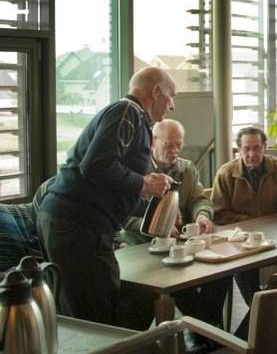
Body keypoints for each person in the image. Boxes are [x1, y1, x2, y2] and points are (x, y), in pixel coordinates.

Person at [36, 67, 176, 325]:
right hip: (78, 224)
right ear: (156, 92)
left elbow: (113, 184)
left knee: (92, 312)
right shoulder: (127, 111)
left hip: (76, 223)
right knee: (96, 319)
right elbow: (97, 165)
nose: (172, 105)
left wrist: (157, 208)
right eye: (171, 96)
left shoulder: (134, 118)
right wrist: (144, 183)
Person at [120, 119, 228, 330]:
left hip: (179, 245)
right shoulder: (134, 171)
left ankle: (207, 330)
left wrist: (202, 216)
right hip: (141, 246)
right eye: (169, 145)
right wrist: (157, 225)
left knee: (223, 272)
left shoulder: (186, 169)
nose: (175, 151)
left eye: (179, 145)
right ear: (152, 142)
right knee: (176, 282)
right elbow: (121, 217)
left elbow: (200, 199)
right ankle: (208, 331)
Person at [211, 126, 277, 321]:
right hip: (242, 241)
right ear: (238, 149)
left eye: (256, 148)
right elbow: (218, 214)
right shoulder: (226, 174)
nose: (251, 154)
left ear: (265, 147)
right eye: (246, 149)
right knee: (242, 267)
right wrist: (251, 223)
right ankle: (262, 316)